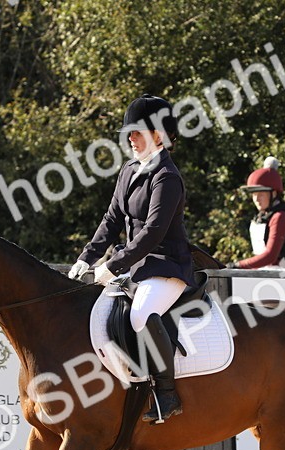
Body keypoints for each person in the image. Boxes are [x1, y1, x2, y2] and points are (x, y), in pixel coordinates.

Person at [68, 95, 195, 424]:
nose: (130, 139)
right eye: (129, 134)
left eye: (137, 132)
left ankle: (167, 395)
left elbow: (153, 232)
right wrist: (88, 257)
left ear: (158, 135)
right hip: (135, 269)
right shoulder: (130, 170)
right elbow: (111, 220)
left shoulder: (167, 177)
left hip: (165, 267)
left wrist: (113, 264)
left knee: (140, 315)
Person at [231, 157, 285, 269]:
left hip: (280, 274)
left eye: (261, 194)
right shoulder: (263, 216)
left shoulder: (280, 217)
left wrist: (238, 265)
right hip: (264, 271)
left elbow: (270, 256)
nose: (257, 199)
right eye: (254, 195)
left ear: (273, 194)